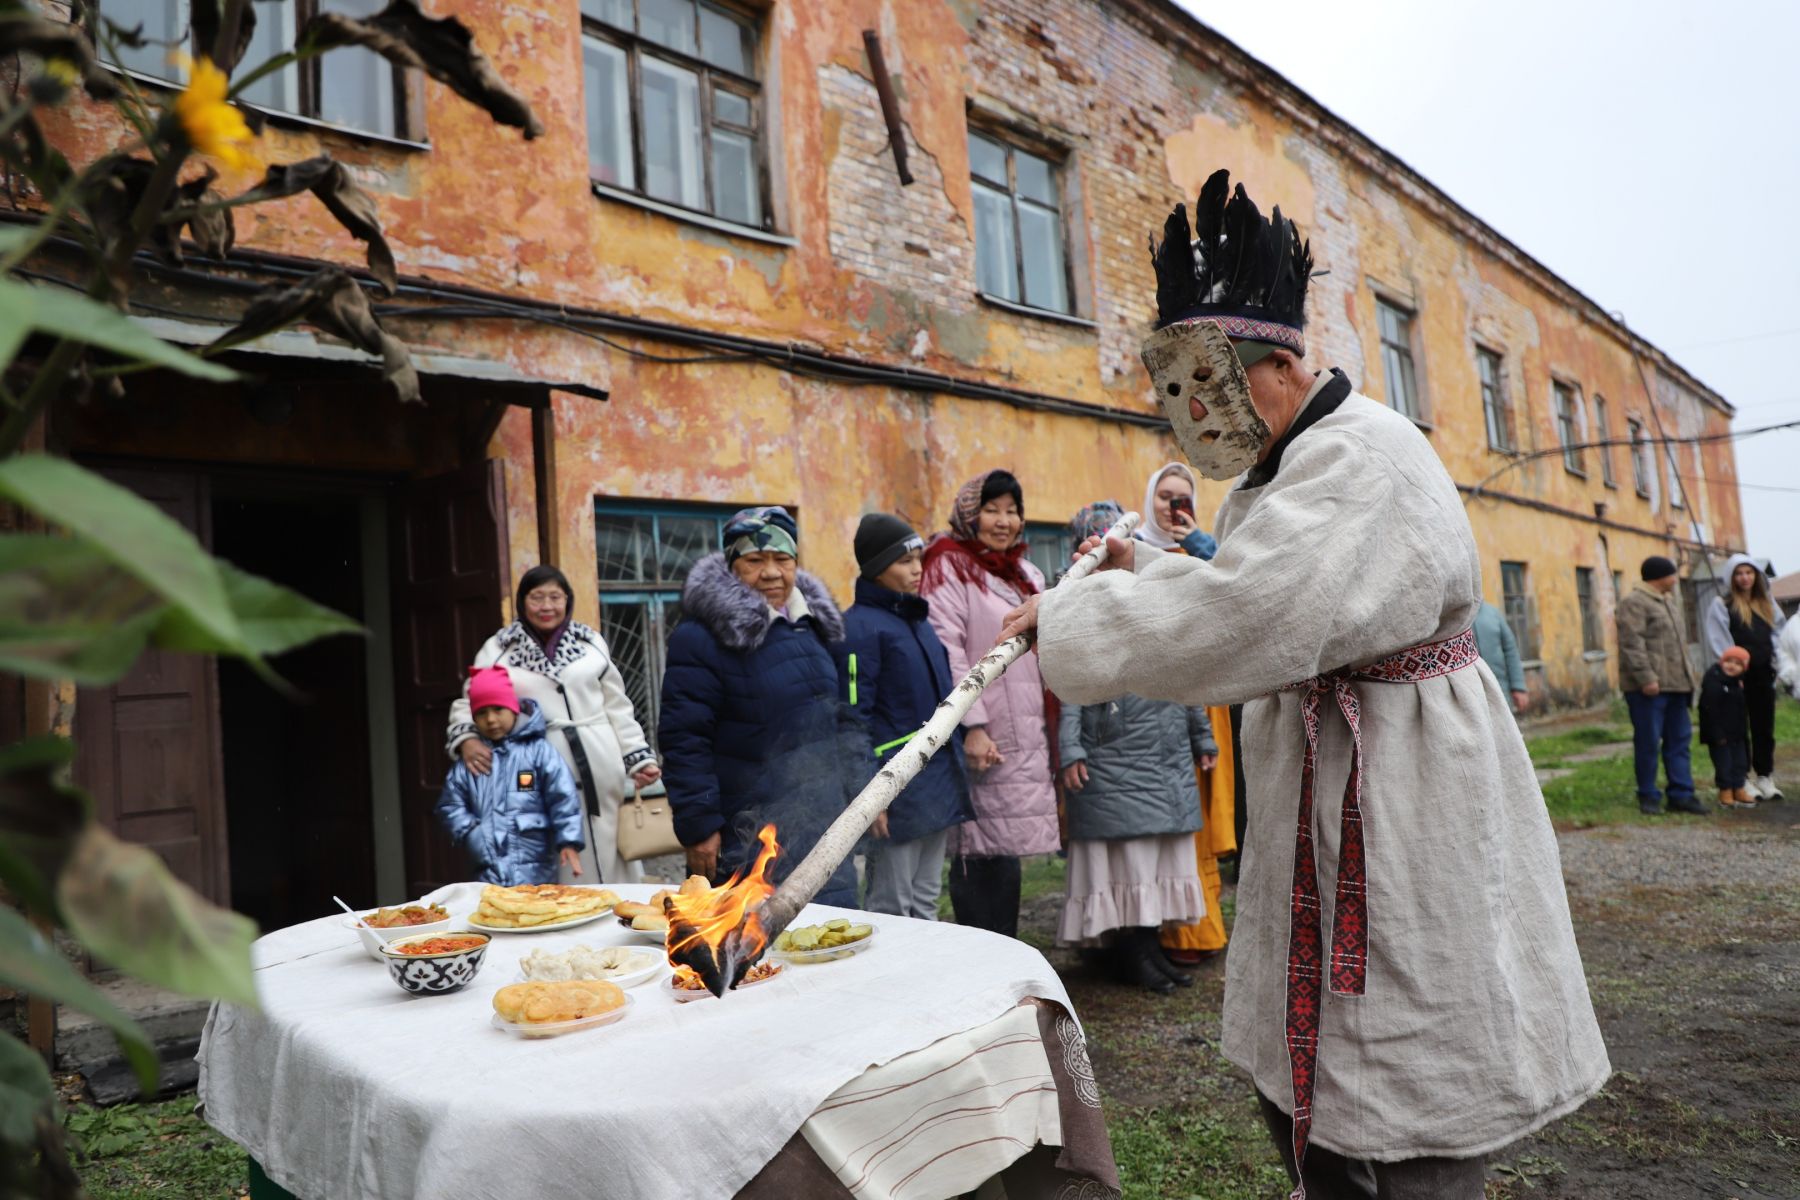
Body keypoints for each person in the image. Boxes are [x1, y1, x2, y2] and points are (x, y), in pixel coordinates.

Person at [998, 170, 1607, 1198]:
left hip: (1403, 792)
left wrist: (1069, 615)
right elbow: (1261, 588)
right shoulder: (1295, 465)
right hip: (1334, 781)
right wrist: (1139, 569)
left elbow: (1252, 614)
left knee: (1413, 1048)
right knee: (1323, 1046)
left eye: (1213, 385)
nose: (1197, 413)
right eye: (1182, 391)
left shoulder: (1363, 456)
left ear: (1280, 366)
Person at [659, 506, 859, 906]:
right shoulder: (701, 636)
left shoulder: (814, 626)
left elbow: (840, 717)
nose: (771, 572)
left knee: (832, 941)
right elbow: (685, 738)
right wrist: (699, 826)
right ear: (732, 566)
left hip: (821, 823)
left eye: (782, 559)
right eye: (755, 560)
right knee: (752, 952)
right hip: (747, 834)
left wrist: (858, 791)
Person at [1055, 501, 1211, 994]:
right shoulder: (1075, 599)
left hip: (1162, 746)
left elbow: (1184, 663)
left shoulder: (1152, 590)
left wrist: (1200, 734)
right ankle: (1128, 952)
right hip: (1113, 749)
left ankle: (1149, 947)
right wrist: (1072, 749)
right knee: (1127, 859)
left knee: (1154, 857)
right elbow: (1070, 676)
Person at [448, 566, 662, 885]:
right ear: (522, 602)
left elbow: (618, 705)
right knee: (546, 845)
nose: (547, 606)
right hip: (533, 767)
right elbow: (470, 700)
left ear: (568, 600)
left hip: (600, 763)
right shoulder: (499, 648)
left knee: (608, 847)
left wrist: (637, 756)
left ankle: (614, 922)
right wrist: (466, 739)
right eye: (537, 597)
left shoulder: (590, 642)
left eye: (555, 597)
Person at [921, 469, 1058, 938]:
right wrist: (971, 726)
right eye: (992, 509)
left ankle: (1008, 952)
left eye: (1012, 510)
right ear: (968, 514)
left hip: (1025, 730)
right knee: (977, 847)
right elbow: (947, 649)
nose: (1004, 521)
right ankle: (985, 959)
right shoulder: (947, 565)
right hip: (985, 732)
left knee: (1005, 846)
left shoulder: (1026, 573)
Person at [839, 513, 975, 920]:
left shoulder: (917, 621)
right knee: (891, 907)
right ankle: (887, 985)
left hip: (935, 782)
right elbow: (851, 719)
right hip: (894, 789)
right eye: (904, 561)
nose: (917, 569)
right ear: (877, 567)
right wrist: (869, 796)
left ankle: (927, 984)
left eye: (919, 559)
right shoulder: (859, 629)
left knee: (925, 900)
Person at [1127, 469, 1237, 968]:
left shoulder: (1202, 550)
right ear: (1149, 501)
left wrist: (1195, 541)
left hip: (1207, 700)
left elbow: (1234, 591)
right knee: (1174, 817)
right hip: (1161, 703)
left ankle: (1202, 927)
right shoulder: (1133, 556)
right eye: (1166, 498)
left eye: (1184, 499)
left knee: (1206, 811)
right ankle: (1173, 934)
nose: (1175, 507)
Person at [435, 666, 585, 885]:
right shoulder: (473, 759)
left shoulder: (538, 751)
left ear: (514, 709)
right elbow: (450, 805)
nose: (491, 720)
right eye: (481, 713)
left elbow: (563, 795)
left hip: (536, 865)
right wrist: (473, 834)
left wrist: (569, 841)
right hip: (488, 869)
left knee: (538, 913)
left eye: (498, 709)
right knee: (493, 913)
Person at [1617, 556, 1705, 815]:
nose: (1676, 578)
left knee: (1679, 741)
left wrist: (1690, 678)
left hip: (1676, 685)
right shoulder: (1634, 602)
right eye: (1672, 574)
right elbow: (1631, 643)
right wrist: (1647, 677)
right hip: (1648, 688)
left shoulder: (1667, 602)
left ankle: (1681, 794)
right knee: (1648, 742)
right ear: (1658, 576)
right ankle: (1648, 795)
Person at [1702, 554, 1786, 801]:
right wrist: (1733, 671)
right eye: (1739, 573)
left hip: (1764, 674)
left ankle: (1764, 775)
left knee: (1764, 726)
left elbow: (1779, 635)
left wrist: (1778, 665)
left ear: (1757, 576)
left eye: (1749, 573)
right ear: (1732, 577)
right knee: (1737, 728)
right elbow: (1720, 640)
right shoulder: (1723, 604)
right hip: (1737, 678)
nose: (1745, 578)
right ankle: (1742, 779)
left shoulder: (1767, 603)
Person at [1698, 647, 1755, 809]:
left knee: (1740, 762)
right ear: (1722, 662)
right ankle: (1725, 790)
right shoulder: (1714, 682)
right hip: (1719, 734)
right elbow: (1709, 710)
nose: (1732, 666)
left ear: (1744, 668)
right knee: (1724, 763)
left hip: (1737, 733)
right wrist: (1716, 734)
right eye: (1729, 661)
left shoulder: (1738, 684)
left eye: (1738, 664)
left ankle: (1739, 788)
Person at [1138, 461, 1218, 560]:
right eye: (1164, 497)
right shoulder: (1131, 543)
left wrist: (1198, 544)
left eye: (1182, 501)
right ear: (1150, 499)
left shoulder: (1208, 546)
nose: (1172, 507)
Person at [1473, 600, 1530, 714]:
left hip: (1500, 687)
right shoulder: (1453, 618)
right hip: (1471, 692)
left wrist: (1518, 686)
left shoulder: (1493, 614)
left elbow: (1510, 650)